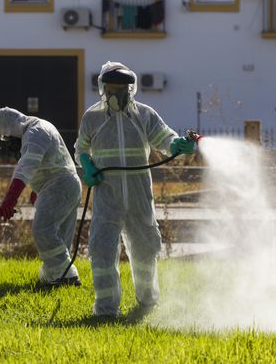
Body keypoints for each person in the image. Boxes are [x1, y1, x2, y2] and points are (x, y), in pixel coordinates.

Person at [75, 61, 196, 317]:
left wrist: (177, 145)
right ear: (103, 88)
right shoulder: (93, 117)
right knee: (102, 250)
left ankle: (148, 301)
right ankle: (106, 309)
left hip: (139, 194)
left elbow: (164, 137)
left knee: (145, 249)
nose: (116, 93)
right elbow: (81, 148)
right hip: (107, 195)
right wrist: (87, 165)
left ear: (130, 89)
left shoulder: (144, 114)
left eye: (122, 88)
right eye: (111, 87)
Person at [0, 107, 82, 287]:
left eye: (8, 136)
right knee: (59, 236)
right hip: (63, 186)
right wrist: (36, 191)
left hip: (60, 187)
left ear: (15, 127)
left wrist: (10, 199)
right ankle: (54, 277)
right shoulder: (39, 128)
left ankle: (67, 276)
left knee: (43, 230)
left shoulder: (35, 133)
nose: (9, 142)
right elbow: (48, 162)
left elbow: (27, 166)